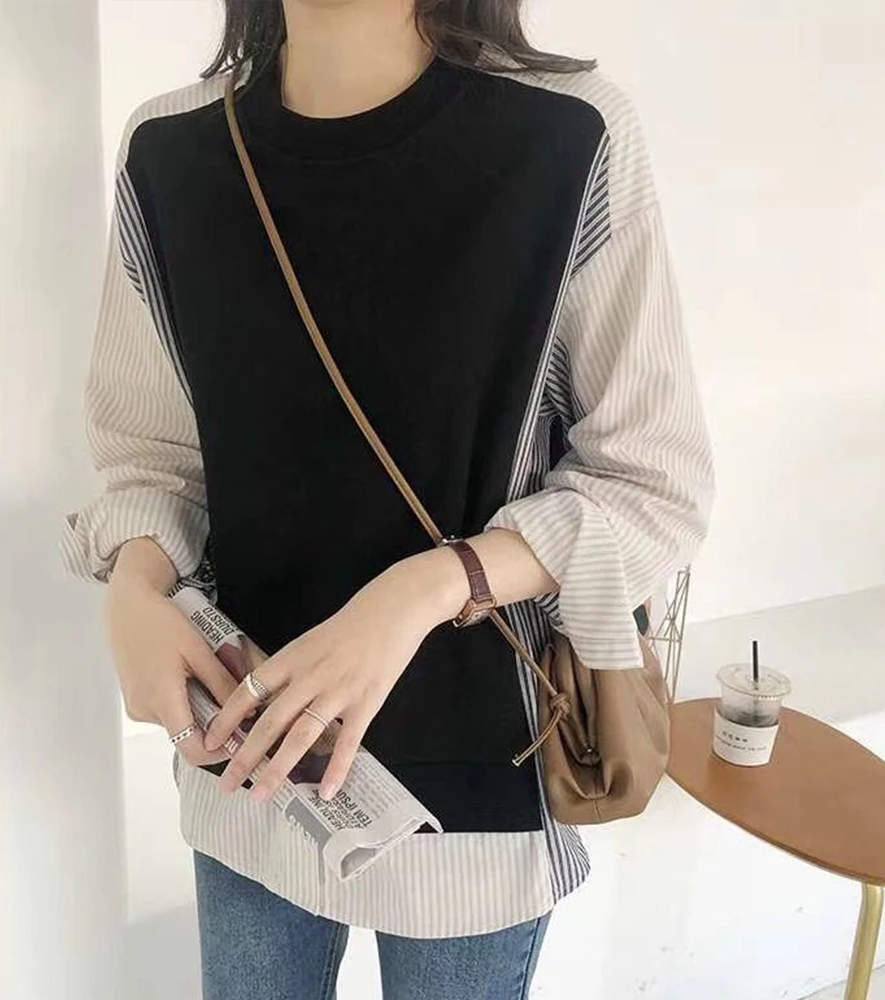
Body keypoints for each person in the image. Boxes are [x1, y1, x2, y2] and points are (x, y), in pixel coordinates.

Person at [61, 1, 715, 997]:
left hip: (476, 781)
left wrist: (421, 590)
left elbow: (652, 483)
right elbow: (153, 454)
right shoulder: (169, 152)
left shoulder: (568, 134)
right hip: (251, 768)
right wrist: (134, 588)